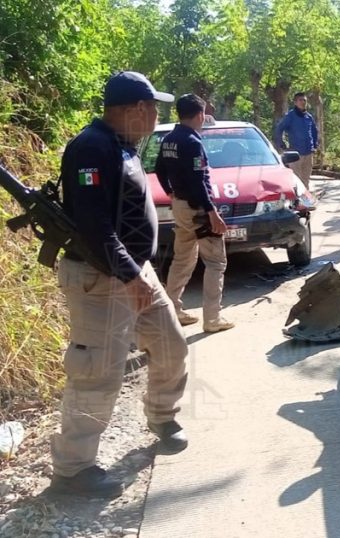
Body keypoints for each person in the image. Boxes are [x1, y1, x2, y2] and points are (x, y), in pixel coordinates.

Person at [50, 72, 189, 498]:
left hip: (132, 270)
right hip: (100, 276)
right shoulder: (91, 147)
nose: (156, 118)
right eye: (153, 110)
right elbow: (93, 224)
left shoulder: (122, 145)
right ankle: (72, 470)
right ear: (135, 109)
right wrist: (130, 276)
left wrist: (136, 272)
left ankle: (162, 416)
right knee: (96, 374)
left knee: (171, 344)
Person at [156, 94, 234, 334]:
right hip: (198, 209)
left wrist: (170, 192)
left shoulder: (169, 139)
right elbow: (199, 181)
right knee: (215, 262)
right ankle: (212, 318)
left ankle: (172, 311)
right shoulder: (193, 142)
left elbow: (159, 169)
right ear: (200, 114)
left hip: (179, 206)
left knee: (183, 258)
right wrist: (212, 212)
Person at [273, 92, 319, 189]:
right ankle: (296, 202)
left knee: (306, 180)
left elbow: (314, 131)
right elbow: (279, 129)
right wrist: (281, 143)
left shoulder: (309, 117)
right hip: (296, 154)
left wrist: (314, 145)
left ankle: (306, 203)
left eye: (304, 100)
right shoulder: (290, 116)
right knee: (296, 181)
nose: (303, 102)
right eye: (300, 100)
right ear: (295, 102)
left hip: (308, 153)